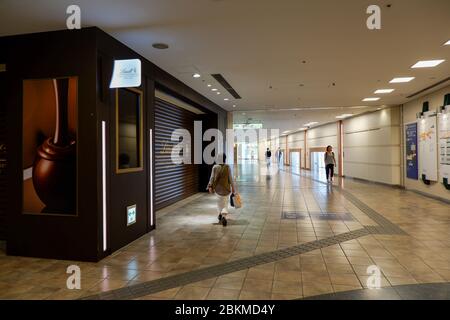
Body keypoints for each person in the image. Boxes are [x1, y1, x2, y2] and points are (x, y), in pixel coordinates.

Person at [207, 153, 236, 226]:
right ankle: (223, 215)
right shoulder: (227, 167)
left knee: (219, 203)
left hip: (218, 189)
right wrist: (233, 188)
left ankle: (221, 214)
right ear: (224, 158)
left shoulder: (215, 167)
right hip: (226, 189)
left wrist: (210, 186)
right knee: (225, 203)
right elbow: (230, 179)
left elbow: (212, 178)